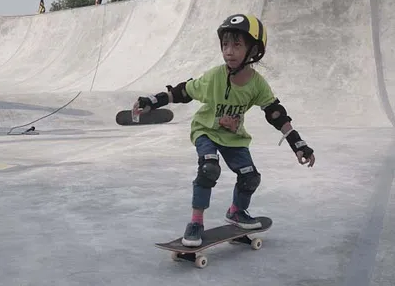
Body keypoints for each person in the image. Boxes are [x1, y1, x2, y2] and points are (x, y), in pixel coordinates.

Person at [132, 14, 315, 247]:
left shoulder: (258, 84)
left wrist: (298, 144)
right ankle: (196, 223)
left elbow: (276, 114)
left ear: (254, 49)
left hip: (234, 138)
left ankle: (236, 212)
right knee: (209, 168)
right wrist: (152, 100)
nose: (229, 51)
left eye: (237, 45)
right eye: (225, 45)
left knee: (250, 177)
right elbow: (182, 91)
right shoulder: (214, 77)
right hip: (205, 131)